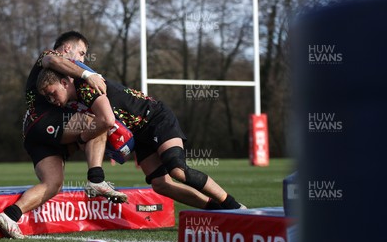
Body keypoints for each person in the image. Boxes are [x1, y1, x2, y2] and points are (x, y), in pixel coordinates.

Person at [37, 68, 247, 210]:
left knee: (178, 171)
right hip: (139, 132)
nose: (51, 100)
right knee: (160, 185)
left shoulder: (85, 86)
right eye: (46, 97)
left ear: (65, 82)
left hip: (155, 118)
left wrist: (83, 138)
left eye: (52, 93)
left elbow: (107, 121)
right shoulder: (70, 104)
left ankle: (235, 207)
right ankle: (215, 209)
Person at [0, 31, 127, 239]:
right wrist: (87, 74)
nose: (82, 60)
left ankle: (9, 216)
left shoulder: (61, 76)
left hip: (32, 133)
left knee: (52, 184)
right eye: (81, 53)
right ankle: (96, 179)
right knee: (98, 122)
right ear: (66, 49)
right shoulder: (51, 56)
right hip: (45, 121)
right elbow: (52, 59)